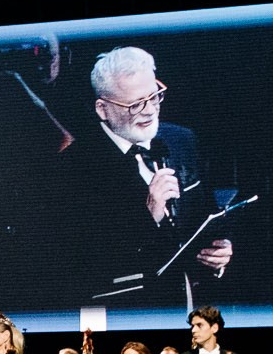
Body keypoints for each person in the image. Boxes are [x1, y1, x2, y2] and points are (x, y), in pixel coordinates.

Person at [41, 45, 238, 315]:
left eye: (154, 96)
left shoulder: (182, 140)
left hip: (190, 313)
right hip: (123, 317)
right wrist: (149, 215)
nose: (149, 111)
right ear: (103, 109)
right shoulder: (72, 168)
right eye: (134, 104)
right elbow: (76, 267)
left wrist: (219, 252)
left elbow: (206, 215)